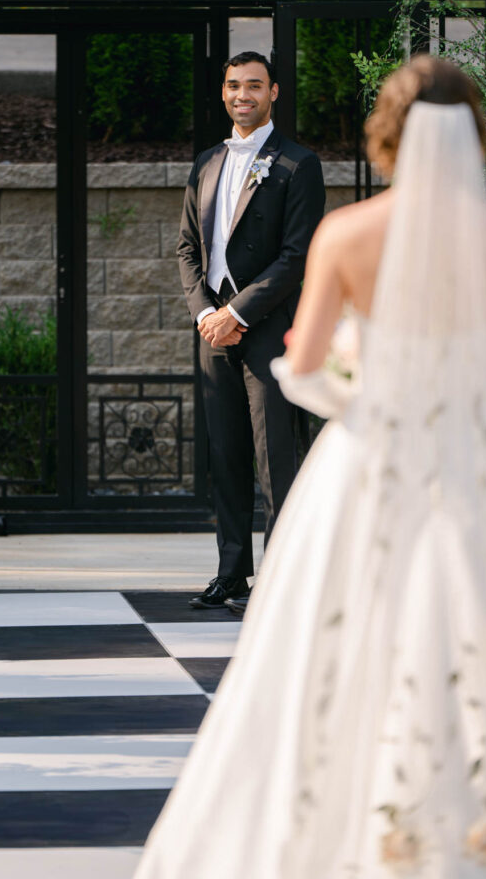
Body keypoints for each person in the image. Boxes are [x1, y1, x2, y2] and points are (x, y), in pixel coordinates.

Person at [135, 56, 486, 878]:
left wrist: (361, 383)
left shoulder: (348, 234)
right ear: (473, 132)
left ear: (386, 134)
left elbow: (299, 376)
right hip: (484, 468)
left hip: (369, 461)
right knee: (484, 635)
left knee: (326, 640)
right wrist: (467, 399)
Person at [178, 51, 325, 612]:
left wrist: (236, 314)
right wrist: (205, 316)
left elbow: (296, 257)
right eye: (235, 86)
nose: (244, 95)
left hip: (264, 328)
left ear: (274, 93)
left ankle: (283, 579)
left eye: (255, 86)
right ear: (223, 93)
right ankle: (231, 573)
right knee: (227, 456)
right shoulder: (206, 162)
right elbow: (187, 247)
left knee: (274, 460)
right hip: (212, 331)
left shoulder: (297, 163)